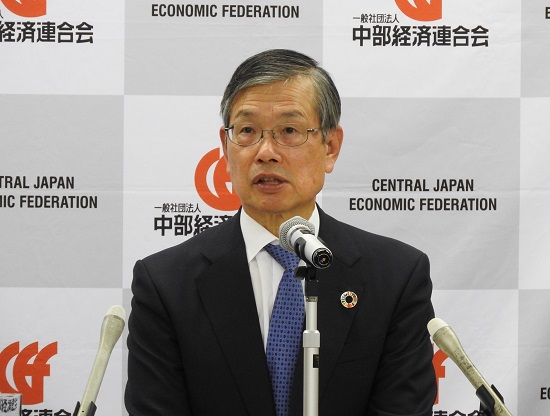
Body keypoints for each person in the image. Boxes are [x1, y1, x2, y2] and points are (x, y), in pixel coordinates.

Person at [125, 49, 437, 415]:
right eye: (247, 131)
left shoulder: (395, 276)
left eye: (289, 131)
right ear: (226, 148)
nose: (266, 152)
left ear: (330, 147)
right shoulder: (165, 284)